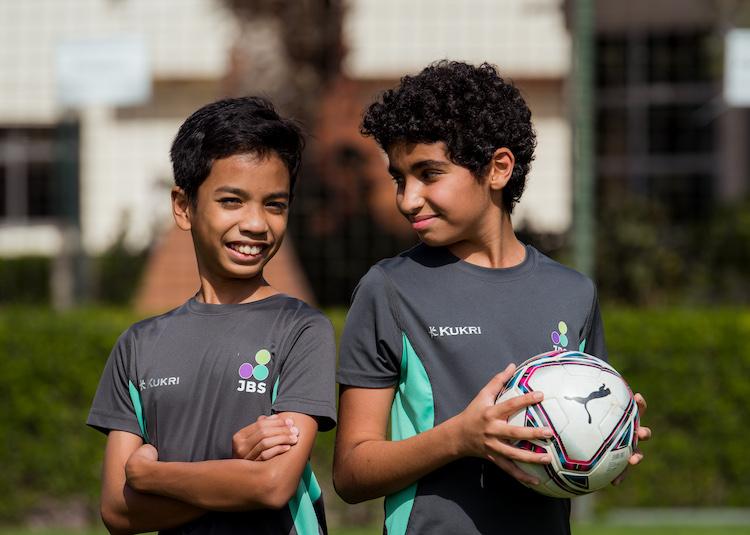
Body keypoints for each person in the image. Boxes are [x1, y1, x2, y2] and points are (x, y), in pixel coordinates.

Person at [333, 61, 651, 535]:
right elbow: (351, 473)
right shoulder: (390, 289)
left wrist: (607, 442)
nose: (407, 199)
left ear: (498, 168)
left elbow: (575, 439)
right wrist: (460, 438)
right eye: (401, 178)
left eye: (428, 173)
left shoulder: (573, 292)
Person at [87, 96, 336, 535]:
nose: (256, 223)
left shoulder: (302, 330)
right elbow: (118, 511)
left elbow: (272, 485)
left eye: (274, 204)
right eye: (232, 201)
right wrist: (233, 473)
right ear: (184, 207)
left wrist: (152, 476)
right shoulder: (139, 344)